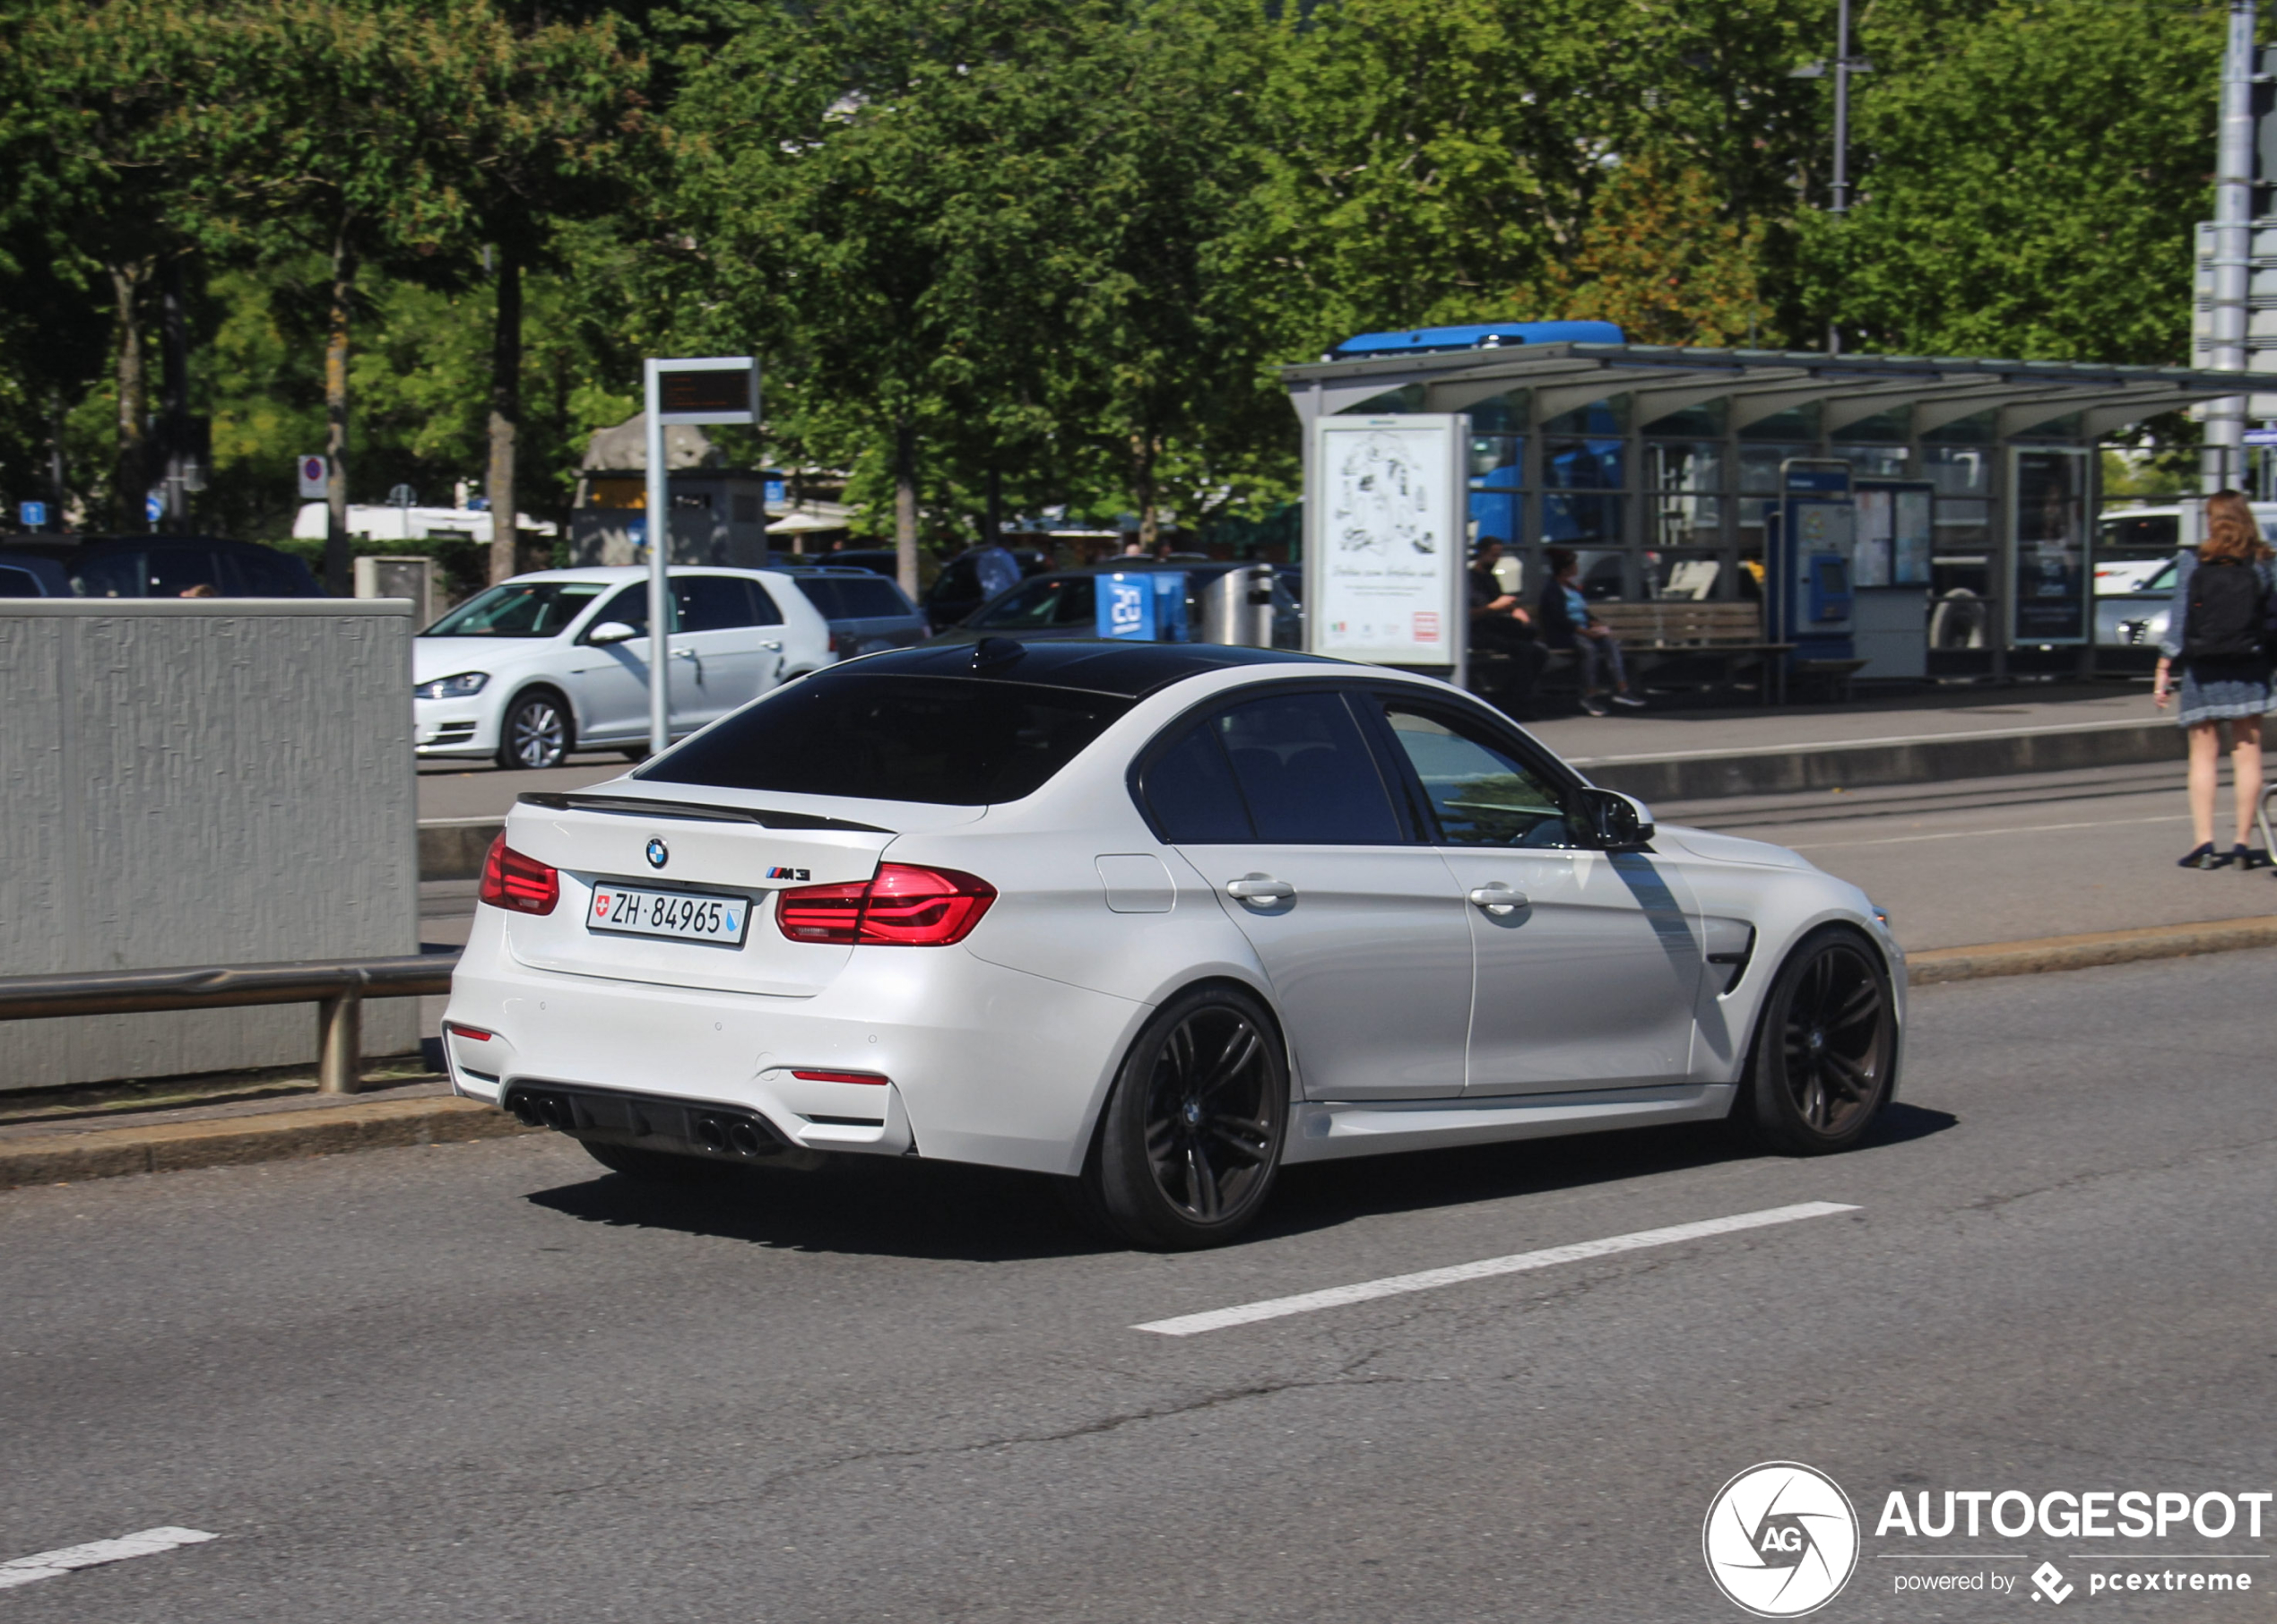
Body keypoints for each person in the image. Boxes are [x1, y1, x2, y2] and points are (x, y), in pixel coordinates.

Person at [2155, 488, 2277, 868]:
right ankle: (2242, 842)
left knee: (2203, 756)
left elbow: (2179, 623)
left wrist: (2164, 668)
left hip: (2202, 669)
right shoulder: (2262, 562)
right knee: (2247, 752)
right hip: (2250, 666)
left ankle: (2205, 844)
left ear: (2210, 519)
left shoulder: (2193, 561)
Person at [1537, 547, 1643, 716]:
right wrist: (1585, 632)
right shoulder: (1552, 591)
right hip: (1565, 634)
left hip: (1584, 631)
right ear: (1565, 569)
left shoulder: (1572, 588)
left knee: (1610, 644)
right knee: (1589, 649)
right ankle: (1589, 695)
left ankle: (1622, 689)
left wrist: (1595, 624)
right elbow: (1559, 620)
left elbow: (1584, 612)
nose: (1577, 568)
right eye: (1574, 565)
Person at [1467, 540, 1547, 720]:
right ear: (1482, 553)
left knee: (1537, 650)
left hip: (1495, 628)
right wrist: (1495, 607)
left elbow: (1502, 602)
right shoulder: (1470, 580)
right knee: (1526, 651)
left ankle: (1514, 695)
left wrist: (1514, 609)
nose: (1497, 559)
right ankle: (1515, 702)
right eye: (1494, 555)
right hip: (1478, 632)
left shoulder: (1491, 578)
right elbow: (1471, 613)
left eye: (1499, 555)